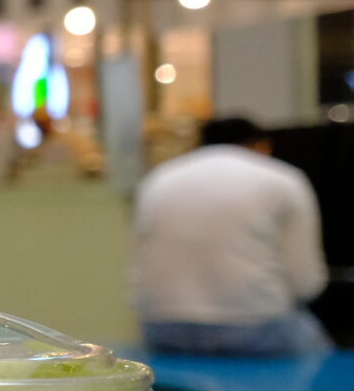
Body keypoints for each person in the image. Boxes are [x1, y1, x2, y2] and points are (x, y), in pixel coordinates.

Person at [132, 116, 331, 357]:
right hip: (256, 327)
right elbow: (306, 282)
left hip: (161, 328)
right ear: (261, 146)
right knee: (321, 352)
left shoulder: (158, 179)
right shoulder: (284, 179)